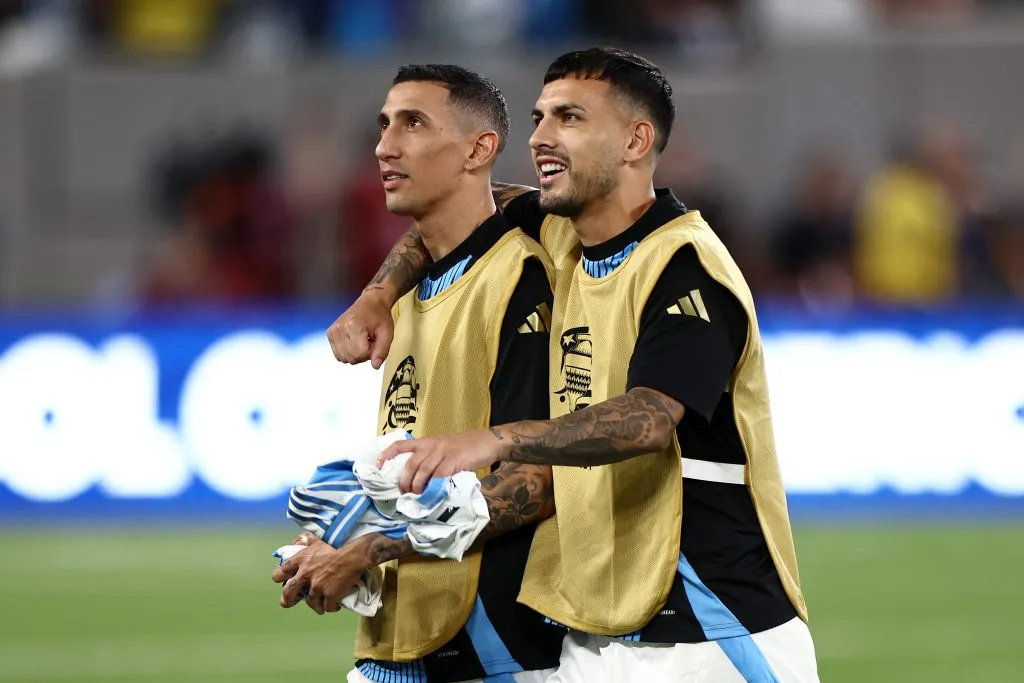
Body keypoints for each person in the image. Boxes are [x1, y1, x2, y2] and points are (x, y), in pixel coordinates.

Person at [333, 48, 820, 682]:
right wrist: (379, 294)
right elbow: (450, 211)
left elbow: (650, 419)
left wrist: (492, 439)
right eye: (538, 117)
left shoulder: (685, 263)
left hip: (711, 631)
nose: (538, 137)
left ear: (635, 140)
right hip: (593, 638)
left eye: (569, 117)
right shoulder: (560, 230)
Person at [273, 64, 564, 683]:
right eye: (383, 125)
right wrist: (345, 536)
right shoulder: (406, 289)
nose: (385, 145)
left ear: (479, 149)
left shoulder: (523, 277)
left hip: (489, 647)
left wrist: (367, 549)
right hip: (397, 636)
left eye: (413, 123)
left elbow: (538, 483)